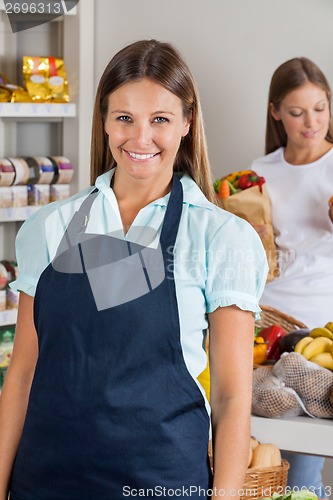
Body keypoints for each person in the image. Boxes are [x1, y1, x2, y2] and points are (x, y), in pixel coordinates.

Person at [0, 39, 268, 500]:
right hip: (44, 481)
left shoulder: (221, 237)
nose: (140, 139)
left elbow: (230, 397)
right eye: (124, 118)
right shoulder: (50, 226)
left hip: (161, 481)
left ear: (187, 124)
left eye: (159, 120)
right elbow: (22, 375)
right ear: (104, 122)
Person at [251, 56, 333, 500]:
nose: (311, 122)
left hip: (322, 334)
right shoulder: (257, 174)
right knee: (260, 461)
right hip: (265, 327)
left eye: (320, 108)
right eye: (298, 112)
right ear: (275, 112)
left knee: (302, 469)